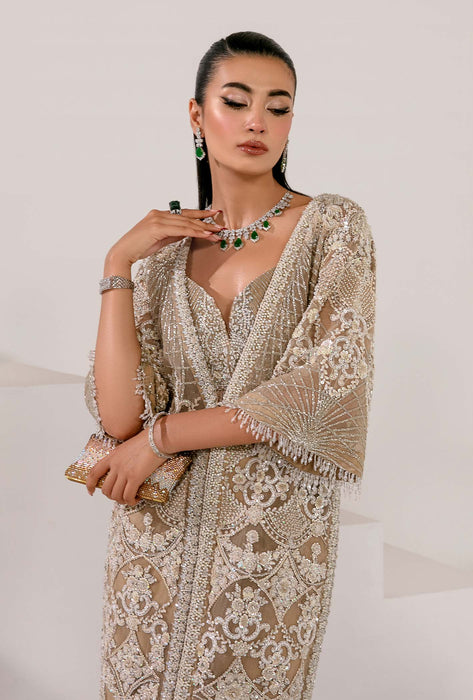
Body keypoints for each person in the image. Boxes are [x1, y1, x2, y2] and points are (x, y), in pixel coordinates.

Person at [83, 30, 376, 700]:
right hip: (151, 546)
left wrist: (163, 437)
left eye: (278, 106)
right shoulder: (161, 256)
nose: (257, 121)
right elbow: (121, 415)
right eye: (237, 101)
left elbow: (328, 385)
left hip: (268, 547)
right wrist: (117, 265)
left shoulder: (332, 229)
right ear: (197, 115)